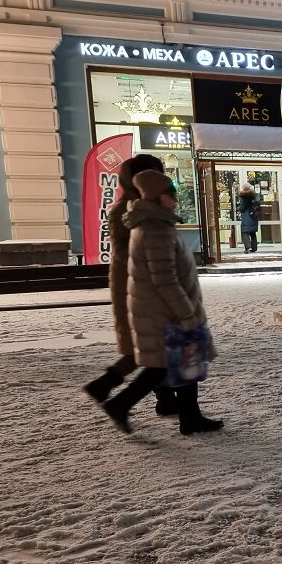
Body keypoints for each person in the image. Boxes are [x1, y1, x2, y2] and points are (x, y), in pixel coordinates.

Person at [101, 169, 223, 436]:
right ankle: (125, 405)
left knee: (170, 365)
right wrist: (187, 314)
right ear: (157, 197)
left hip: (159, 310)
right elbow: (165, 279)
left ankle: (186, 416)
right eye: (171, 194)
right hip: (166, 313)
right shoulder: (154, 229)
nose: (175, 200)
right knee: (173, 364)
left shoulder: (150, 224)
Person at [83, 154, 177, 417]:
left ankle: (106, 386)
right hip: (139, 288)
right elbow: (134, 255)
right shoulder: (131, 210)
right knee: (155, 348)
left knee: (149, 347)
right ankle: (119, 396)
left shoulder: (139, 206)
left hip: (138, 286)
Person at [237, 181, 260, 253]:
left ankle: (248, 247)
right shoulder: (255, 196)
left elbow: (242, 207)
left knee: (245, 232)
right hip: (254, 216)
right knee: (253, 233)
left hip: (247, 217)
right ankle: (254, 248)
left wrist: (238, 208)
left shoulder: (244, 196)